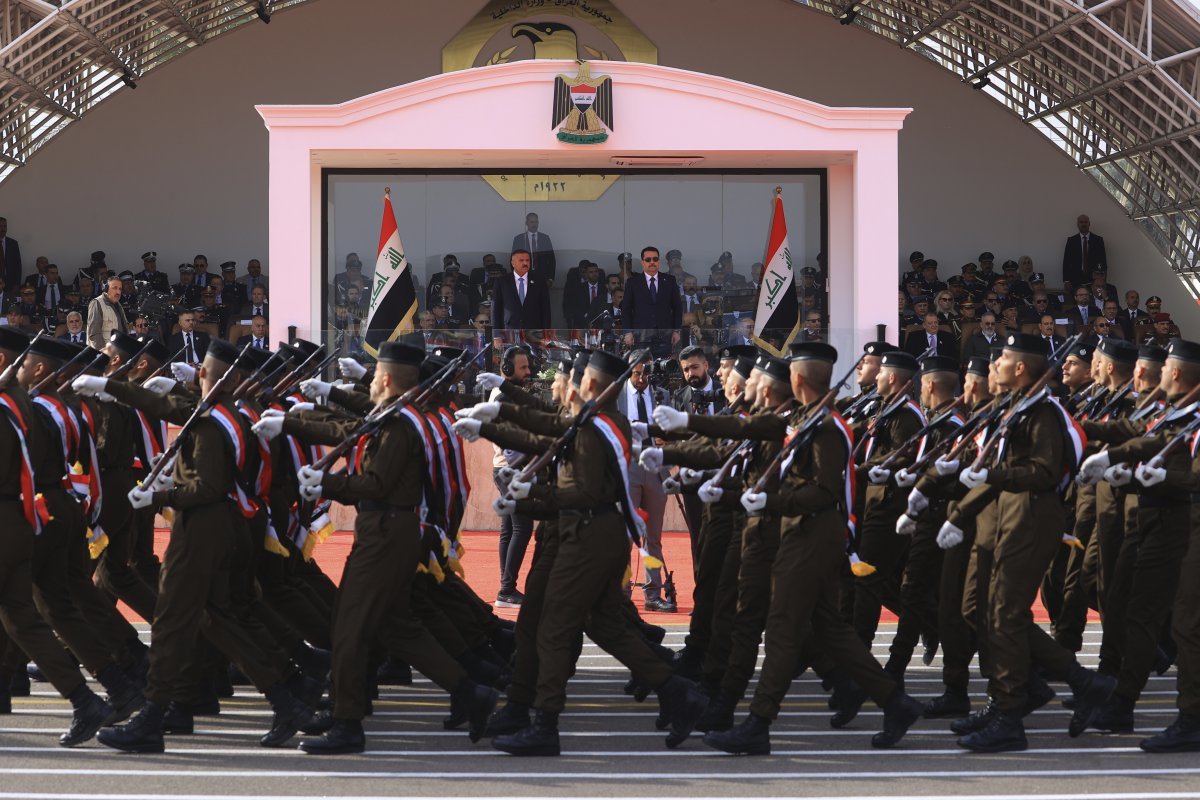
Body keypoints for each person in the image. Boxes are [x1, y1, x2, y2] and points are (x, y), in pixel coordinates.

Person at [617, 357, 671, 611]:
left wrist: (667, 440)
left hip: (656, 467)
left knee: (654, 537)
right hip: (627, 467)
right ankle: (621, 592)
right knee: (625, 535)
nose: (641, 379)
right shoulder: (616, 396)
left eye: (646, 374)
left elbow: (674, 428)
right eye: (637, 373)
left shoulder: (662, 395)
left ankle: (653, 594)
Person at [490, 345, 535, 609]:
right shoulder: (502, 398)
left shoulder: (508, 395)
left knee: (509, 528)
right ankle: (507, 589)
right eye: (523, 367)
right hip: (511, 469)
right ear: (506, 370)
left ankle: (506, 587)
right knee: (522, 527)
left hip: (505, 468)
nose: (528, 372)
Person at [621, 247, 682, 359]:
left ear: (658, 261)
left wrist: (677, 330)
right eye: (648, 260)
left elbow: (677, 307)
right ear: (642, 262)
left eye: (655, 259)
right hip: (641, 337)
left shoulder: (669, 280)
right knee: (642, 368)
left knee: (662, 369)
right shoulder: (633, 282)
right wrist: (628, 332)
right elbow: (626, 309)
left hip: (664, 337)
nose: (652, 262)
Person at [490, 250, 551, 346]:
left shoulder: (539, 281)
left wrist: (546, 335)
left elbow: (546, 310)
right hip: (509, 332)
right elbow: (495, 310)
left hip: (534, 333)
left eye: (527, 260)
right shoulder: (502, 282)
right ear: (513, 263)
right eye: (521, 260)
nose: (525, 263)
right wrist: (496, 335)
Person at [1063, 214, 1107, 289]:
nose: (1083, 224)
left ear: (1089, 224)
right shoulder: (1071, 241)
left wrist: (1103, 279)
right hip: (1075, 279)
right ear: (1078, 224)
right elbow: (1066, 261)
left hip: (1094, 279)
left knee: (1093, 300)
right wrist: (1066, 280)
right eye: (1081, 222)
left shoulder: (1098, 240)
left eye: (1085, 222)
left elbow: (1103, 260)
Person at [86, 276, 129, 350]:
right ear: (106, 289)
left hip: (117, 352)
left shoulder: (118, 305)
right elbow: (94, 334)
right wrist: (104, 354)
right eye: (114, 288)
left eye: (120, 289)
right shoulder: (97, 303)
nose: (118, 292)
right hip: (104, 355)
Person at [511, 213, 556, 285]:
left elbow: (551, 259)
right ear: (526, 223)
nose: (534, 224)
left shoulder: (545, 238)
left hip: (543, 277)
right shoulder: (519, 239)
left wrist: (550, 278)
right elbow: (513, 260)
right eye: (531, 222)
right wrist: (516, 277)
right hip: (524, 276)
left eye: (536, 222)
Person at [0, 216, 21, 290]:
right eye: (1, 226)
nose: (3, 229)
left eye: (5, 226)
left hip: (10, 282)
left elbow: (18, 264)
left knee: (9, 301)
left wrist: (17, 283)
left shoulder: (13, 243)